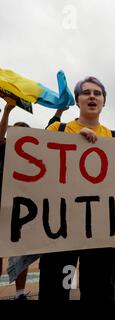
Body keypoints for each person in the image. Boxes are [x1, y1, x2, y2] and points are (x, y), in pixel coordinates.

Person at [39, 76, 115, 301]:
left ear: (104, 102)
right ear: (77, 101)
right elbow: (39, 166)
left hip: (100, 231)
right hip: (60, 228)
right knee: (56, 289)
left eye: (98, 93)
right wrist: (75, 144)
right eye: (86, 93)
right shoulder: (58, 129)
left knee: (97, 291)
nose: (92, 96)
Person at [0, 98, 31, 300]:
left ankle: (20, 293)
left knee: (21, 254)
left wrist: (60, 114)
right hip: (2, 207)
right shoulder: (3, 149)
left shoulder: (32, 156)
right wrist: (7, 111)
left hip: (22, 210)